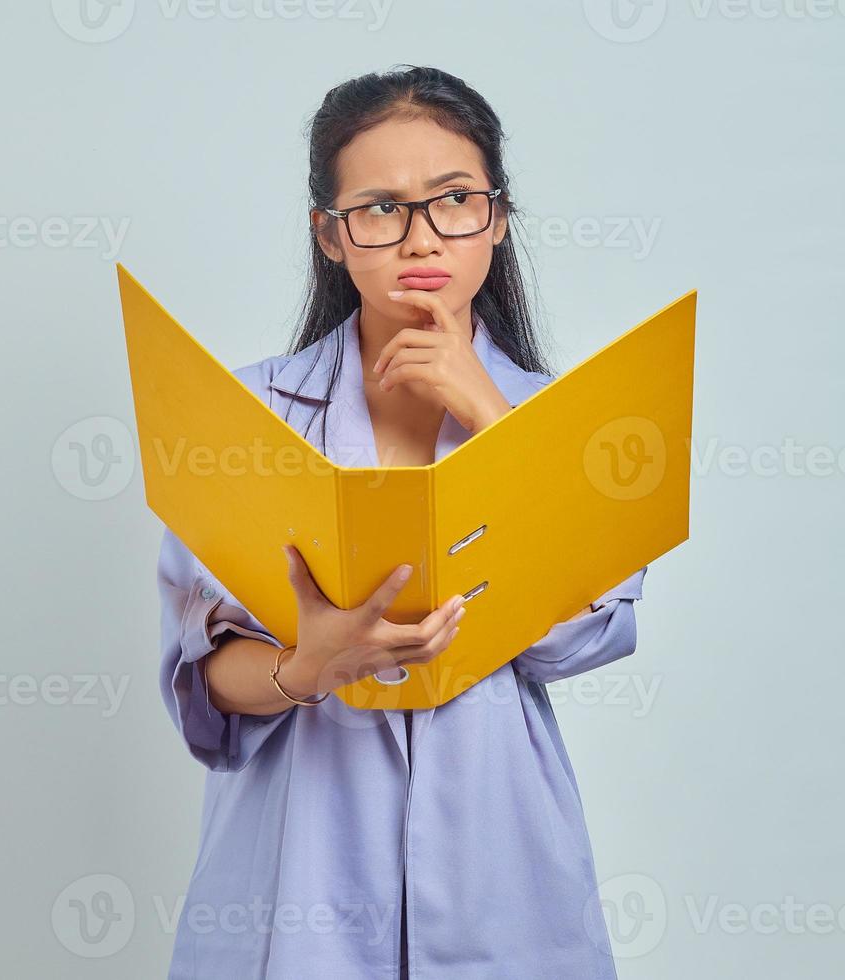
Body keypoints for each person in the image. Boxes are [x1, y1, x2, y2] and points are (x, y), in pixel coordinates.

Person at [157, 64, 649, 980]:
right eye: (379, 208)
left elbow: (592, 629)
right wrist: (313, 663)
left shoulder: (562, 420)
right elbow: (204, 684)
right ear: (331, 236)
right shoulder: (247, 414)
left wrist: (489, 414)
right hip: (298, 857)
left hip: (497, 854)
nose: (420, 236)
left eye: (453, 199)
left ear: (496, 219)